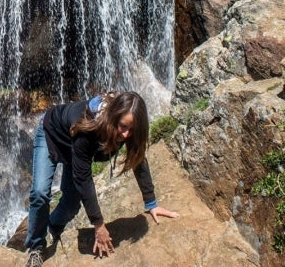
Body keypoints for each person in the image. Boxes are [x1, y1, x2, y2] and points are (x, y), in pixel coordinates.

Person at [24, 91, 179, 267]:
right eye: (123, 127)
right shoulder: (90, 124)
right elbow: (83, 178)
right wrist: (98, 225)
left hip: (76, 148)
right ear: (113, 118)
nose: (127, 135)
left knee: (72, 203)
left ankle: (54, 226)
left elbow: (138, 158)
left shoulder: (129, 124)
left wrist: (151, 203)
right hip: (52, 133)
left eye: (132, 130)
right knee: (40, 193)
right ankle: (36, 247)